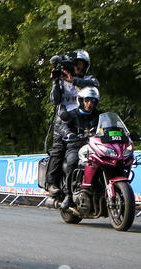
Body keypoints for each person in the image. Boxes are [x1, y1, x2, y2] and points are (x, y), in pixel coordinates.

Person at [46, 49, 100, 195]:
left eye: (82, 64)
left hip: (84, 118)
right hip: (64, 119)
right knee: (58, 149)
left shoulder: (88, 79)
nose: (79, 67)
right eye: (76, 64)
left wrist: (73, 80)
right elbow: (55, 100)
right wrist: (56, 82)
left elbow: (95, 84)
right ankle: (51, 183)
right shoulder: (62, 80)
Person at [57, 87, 101, 209]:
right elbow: (62, 125)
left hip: (96, 147)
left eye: (92, 101)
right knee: (72, 161)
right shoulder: (71, 115)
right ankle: (68, 194)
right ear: (81, 101)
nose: (89, 103)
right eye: (87, 100)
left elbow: (111, 125)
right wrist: (68, 133)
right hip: (76, 146)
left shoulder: (100, 115)